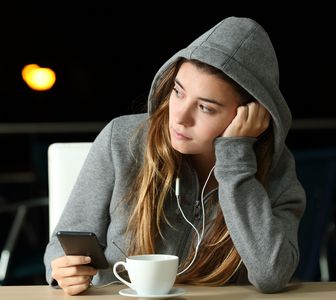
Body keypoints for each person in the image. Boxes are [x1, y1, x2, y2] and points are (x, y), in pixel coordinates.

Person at [44, 16, 306, 295]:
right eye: (178, 93)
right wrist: (63, 270)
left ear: (251, 115)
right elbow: (61, 247)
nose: (179, 117)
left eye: (205, 107)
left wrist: (236, 163)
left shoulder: (276, 170)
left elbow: (271, 275)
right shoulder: (121, 139)